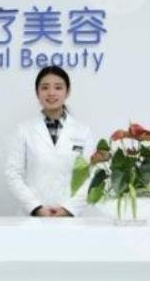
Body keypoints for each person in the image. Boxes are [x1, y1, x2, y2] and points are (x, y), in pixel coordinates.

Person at [5, 66, 93, 217]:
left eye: (58, 87)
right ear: (37, 93)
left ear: (67, 92)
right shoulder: (23, 130)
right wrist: (36, 208)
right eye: (45, 88)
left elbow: (90, 176)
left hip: (70, 217)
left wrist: (68, 209)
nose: (51, 93)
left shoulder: (83, 132)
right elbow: (13, 174)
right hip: (32, 216)